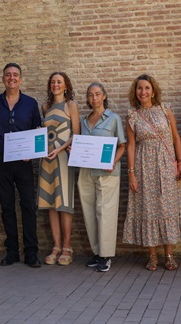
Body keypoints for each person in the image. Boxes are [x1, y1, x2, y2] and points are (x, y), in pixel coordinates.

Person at [123, 74, 181, 271]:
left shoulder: (165, 110)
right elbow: (131, 146)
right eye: (139, 88)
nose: (143, 92)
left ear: (153, 90)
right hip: (144, 168)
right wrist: (131, 173)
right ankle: (152, 256)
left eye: (147, 88)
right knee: (148, 209)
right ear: (135, 92)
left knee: (167, 208)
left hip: (167, 166)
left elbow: (176, 138)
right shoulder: (132, 116)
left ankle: (169, 255)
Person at [0, 63, 42, 267]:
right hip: (0, 162)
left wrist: (33, 153)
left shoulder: (30, 103)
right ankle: (12, 251)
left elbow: (38, 131)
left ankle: (31, 252)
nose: (11, 78)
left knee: (28, 206)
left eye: (15, 75)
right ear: (3, 78)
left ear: (21, 79)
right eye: (8, 75)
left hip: (24, 163)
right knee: (7, 206)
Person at [78, 82, 126, 273]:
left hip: (107, 172)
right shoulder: (83, 120)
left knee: (105, 212)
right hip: (86, 171)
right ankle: (97, 252)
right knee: (89, 212)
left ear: (104, 96)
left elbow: (122, 145)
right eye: (90, 95)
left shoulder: (113, 118)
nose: (94, 98)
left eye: (98, 94)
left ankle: (106, 256)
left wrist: (113, 161)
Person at [38, 72, 80, 266]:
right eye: (53, 82)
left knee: (64, 202)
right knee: (50, 203)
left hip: (63, 158)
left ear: (66, 86)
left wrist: (59, 150)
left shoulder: (71, 106)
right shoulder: (45, 107)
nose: (55, 85)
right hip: (46, 160)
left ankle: (67, 246)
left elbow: (76, 134)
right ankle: (55, 246)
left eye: (59, 82)